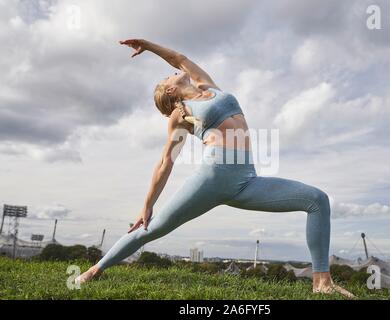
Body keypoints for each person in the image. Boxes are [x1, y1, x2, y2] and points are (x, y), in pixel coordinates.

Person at [75, 39, 354, 297]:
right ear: (172, 91)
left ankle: (322, 282)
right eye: (168, 77)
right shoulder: (179, 115)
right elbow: (165, 162)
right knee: (154, 227)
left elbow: (178, 58)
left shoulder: (207, 87)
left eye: (169, 74)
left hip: (247, 180)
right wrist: (147, 205)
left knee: (317, 200)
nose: (173, 73)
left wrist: (147, 45)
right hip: (212, 177)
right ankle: (94, 271)